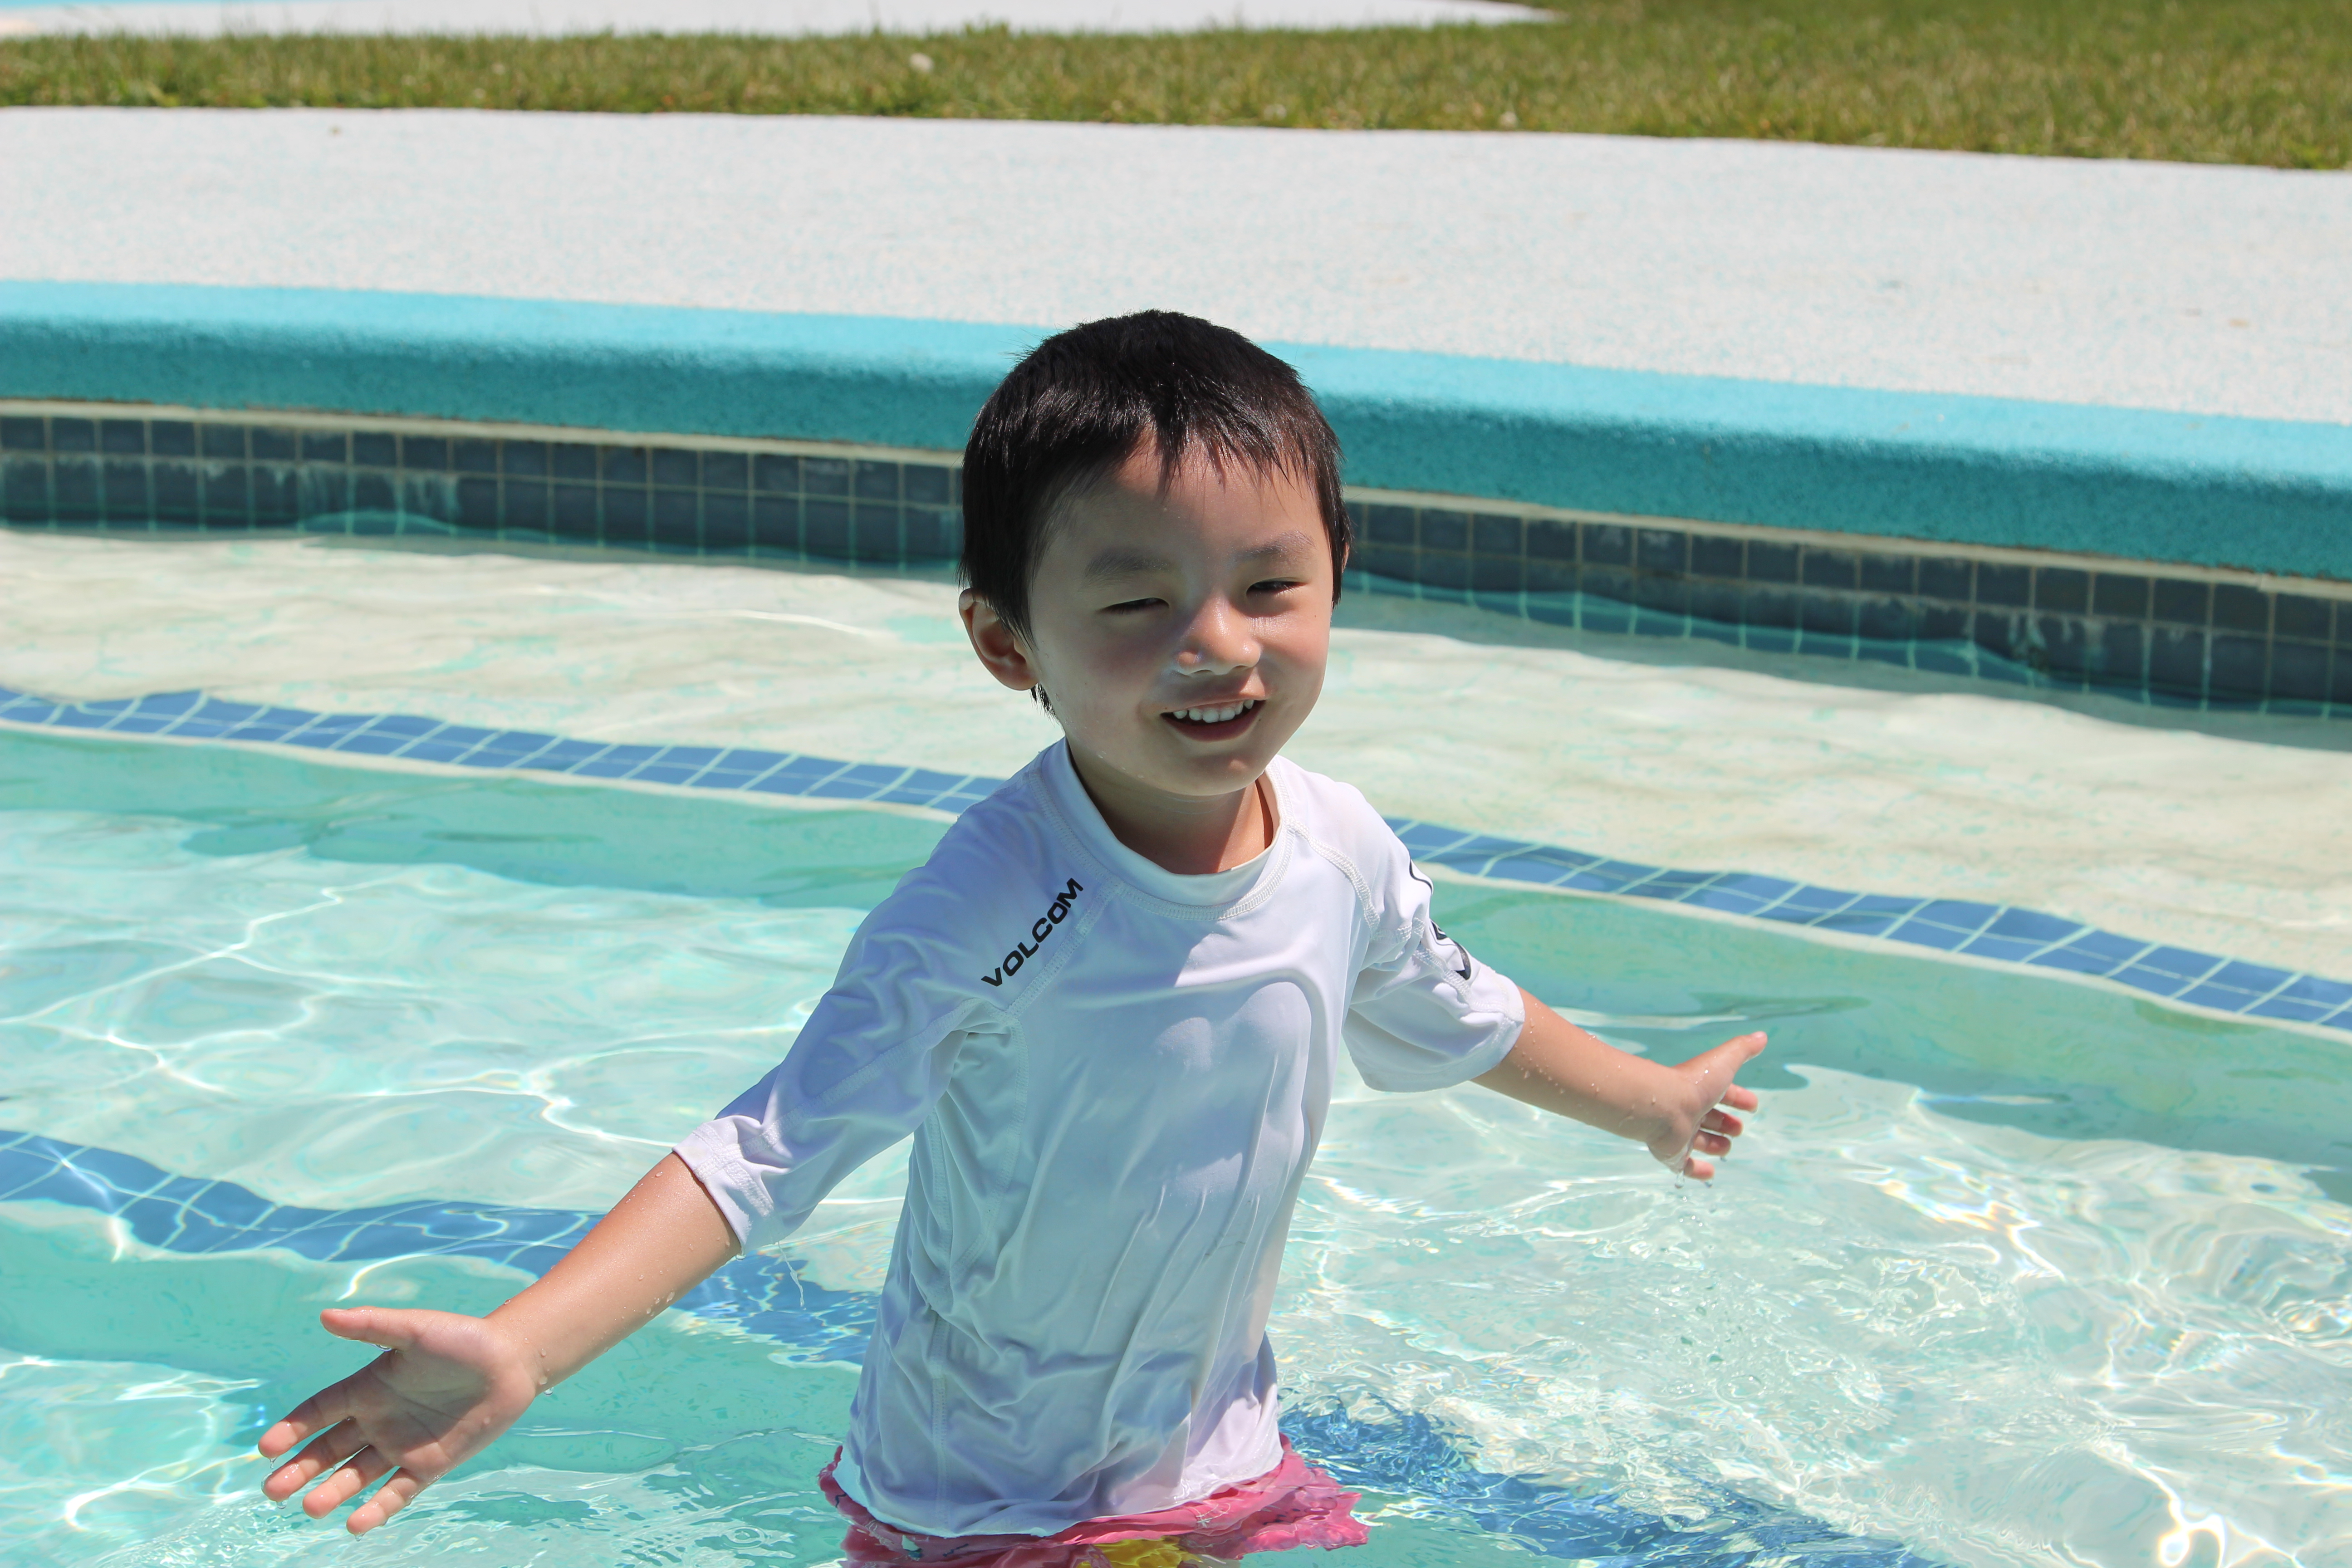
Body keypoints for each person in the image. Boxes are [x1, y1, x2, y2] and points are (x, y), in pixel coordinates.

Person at [255, 311, 1765, 1562]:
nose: (1219, 643)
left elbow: (1458, 1006)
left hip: (1217, 1467)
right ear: (1006, 645)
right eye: (1137, 600)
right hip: (975, 1511)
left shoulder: (1341, 850)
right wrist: (526, 1345)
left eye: (1269, 587)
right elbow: (765, 1153)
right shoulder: (991, 905)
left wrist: (1649, 1100)